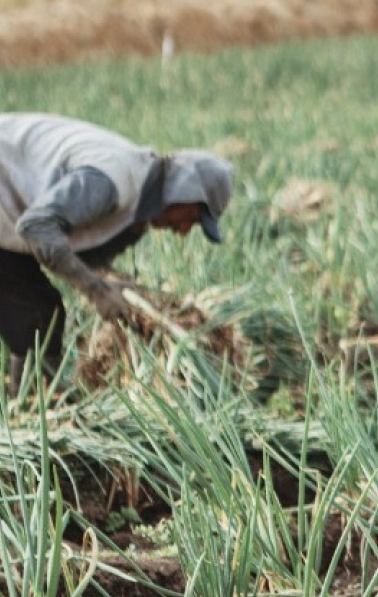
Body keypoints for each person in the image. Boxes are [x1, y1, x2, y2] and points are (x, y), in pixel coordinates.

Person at [0, 113, 233, 395]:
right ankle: (30, 415)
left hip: (9, 216)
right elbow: (37, 227)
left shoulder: (134, 217)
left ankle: (29, 412)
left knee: (38, 318)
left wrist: (117, 284)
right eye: (192, 218)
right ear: (183, 191)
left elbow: (82, 249)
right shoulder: (113, 181)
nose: (183, 231)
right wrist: (96, 290)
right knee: (39, 314)